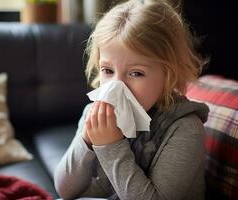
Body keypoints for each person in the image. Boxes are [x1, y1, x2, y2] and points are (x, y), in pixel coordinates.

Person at [54, 0, 209, 199]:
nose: (117, 87)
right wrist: (86, 140)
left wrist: (111, 146)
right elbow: (65, 190)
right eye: (108, 71)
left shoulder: (185, 129)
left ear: (169, 73)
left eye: (136, 73)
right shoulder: (96, 114)